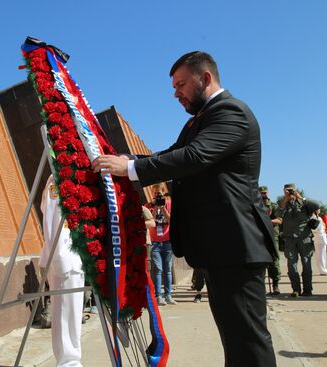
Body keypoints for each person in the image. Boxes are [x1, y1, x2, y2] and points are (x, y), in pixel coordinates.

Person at [92, 51, 277, 367]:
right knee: (235, 339)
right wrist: (125, 161)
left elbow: (194, 157)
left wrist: (130, 168)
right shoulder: (200, 121)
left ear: (205, 79)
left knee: (248, 340)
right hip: (222, 248)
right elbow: (173, 153)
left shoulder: (231, 112)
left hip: (237, 245)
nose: (175, 93)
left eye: (181, 84)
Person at [40, 175, 84, 367]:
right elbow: (52, 221)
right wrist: (60, 260)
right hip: (65, 258)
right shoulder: (57, 179)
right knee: (65, 317)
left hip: (75, 258)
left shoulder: (73, 176)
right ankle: (67, 363)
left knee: (73, 316)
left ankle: (73, 361)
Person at [277, 184, 320, 297]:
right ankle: (296, 289)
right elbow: (277, 214)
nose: (290, 193)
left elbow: (317, 205)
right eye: (287, 191)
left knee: (306, 264)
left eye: (291, 191)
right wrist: (285, 199)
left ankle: (307, 289)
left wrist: (300, 197)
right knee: (291, 265)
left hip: (304, 238)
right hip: (290, 239)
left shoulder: (305, 204)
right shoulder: (284, 205)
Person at [145, 184, 176, 305]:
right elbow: (150, 222)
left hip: (167, 240)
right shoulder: (149, 206)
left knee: (167, 269)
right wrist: (155, 209)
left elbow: (171, 221)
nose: (158, 196)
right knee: (158, 269)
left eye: (160, 193)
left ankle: (168, 295)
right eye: (156, 194)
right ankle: (158, 296)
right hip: (155, 242)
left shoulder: (169, 204)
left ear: (164, 193)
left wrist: (163, 209)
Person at [260, 185, 282, 295]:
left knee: (274, 261)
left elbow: (279, 220)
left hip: (273, 237)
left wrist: (267, 221)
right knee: (261, 262)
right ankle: (260, 287)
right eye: (261, 193)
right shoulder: (254, 206)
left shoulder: (273, 206)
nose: (263, 195)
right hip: (259, 238)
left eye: (265, 193)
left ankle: (275, 285)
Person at [311, 209, 327, 275]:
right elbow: (315, 228)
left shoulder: (318, 217)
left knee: (322, 254)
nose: (319, 210)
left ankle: (323, 269)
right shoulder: (313, 218)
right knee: (320, 255)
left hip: (321, 236)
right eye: (318, 209)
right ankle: (322, 270)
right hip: (319, 236)